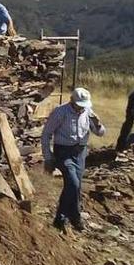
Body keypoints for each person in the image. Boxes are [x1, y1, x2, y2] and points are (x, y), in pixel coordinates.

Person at [41, 88, 106, 231]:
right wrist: (48, 157)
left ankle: (64, 218)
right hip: (64, 152)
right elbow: (46, 134)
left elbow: (100, 133)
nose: (82, 108)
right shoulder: (60, 112)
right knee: (74, 183)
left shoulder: (88, 112)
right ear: (72, 101)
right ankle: (70, 217)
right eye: (79, 105)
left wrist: (98, 124)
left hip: (80, 152)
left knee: (74, 186)